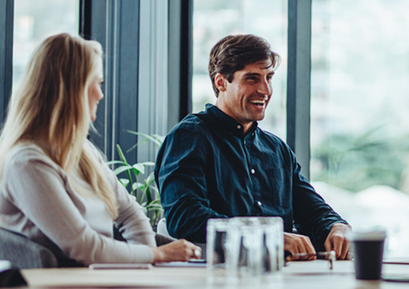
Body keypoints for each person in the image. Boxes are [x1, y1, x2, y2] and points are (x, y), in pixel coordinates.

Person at [0, 33, 200, 266]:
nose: (101, 94)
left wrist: (147, 263)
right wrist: (157, 254)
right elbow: (83, 247)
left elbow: (129, 212)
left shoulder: (82, 151)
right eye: (97, 83)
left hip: (97, 279)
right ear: (73, 90)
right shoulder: (27, 163)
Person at [156, 34, 351, 260]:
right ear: (221, 82)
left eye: (269, 77)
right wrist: (268, 236)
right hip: (214, 279)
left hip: (281, 278)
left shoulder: (277, 149)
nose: (265, 90)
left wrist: (337, 226)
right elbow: (185, 218)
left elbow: (312, 210)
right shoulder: (189, 137)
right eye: (252, 79)